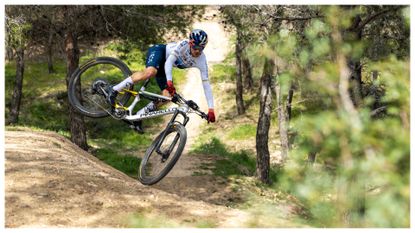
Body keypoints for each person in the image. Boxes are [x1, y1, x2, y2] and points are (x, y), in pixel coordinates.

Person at [106, 29, 216, 131]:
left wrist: (211, 109)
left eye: (201, 48)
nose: (197, 51)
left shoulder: (202, 60)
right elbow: (169, 62)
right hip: (160, 51)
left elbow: (206, 84)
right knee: (150, 72)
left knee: (168, 96)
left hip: (165, 67)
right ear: (191, 43)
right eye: (195, 47)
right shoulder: (183, 44)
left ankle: (138, 116)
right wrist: (169, 82)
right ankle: (114, 89)